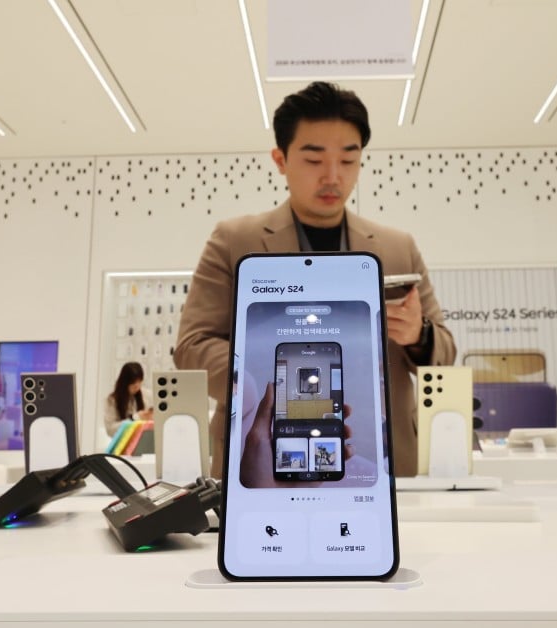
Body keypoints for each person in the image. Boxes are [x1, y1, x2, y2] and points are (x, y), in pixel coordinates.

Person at [174, 81, 455, 478]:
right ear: (280, 159)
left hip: (380, 455)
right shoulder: (234, 241)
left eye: (348, 159)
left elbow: (446, 351)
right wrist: (262, 387)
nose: (333, 176)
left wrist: (419, 335)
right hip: (261, 450)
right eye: (313, 159)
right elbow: (192, 347)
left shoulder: (398, 247)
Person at [104, 361, 154, 437]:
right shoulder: (112, 400)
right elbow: (110, 430)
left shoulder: (147, 395)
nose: (137, 387)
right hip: (123, 441)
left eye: (139, 382)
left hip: (144, 438)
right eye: (133, 384)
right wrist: (134, 418)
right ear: (125, 382)